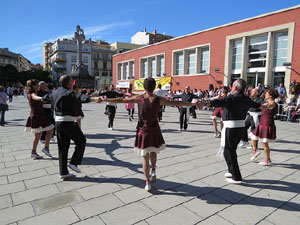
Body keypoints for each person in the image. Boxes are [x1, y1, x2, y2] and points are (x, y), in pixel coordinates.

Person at [104, 78, 198, 191]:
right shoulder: (158, 99)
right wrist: (191, 104)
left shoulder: (138, 98)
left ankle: (147, 182)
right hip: (154, 129)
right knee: (153, 151)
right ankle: (153, 170)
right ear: (154, 88)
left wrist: (106, 99)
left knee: (145, 156)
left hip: (142, 130)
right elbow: (176, 102)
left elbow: (121, 100)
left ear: (144, 87)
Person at [198, 79, 261, 184]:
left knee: (230, 151)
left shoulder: (232, 98)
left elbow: (217, 102)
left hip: (231, 128)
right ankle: (231, 171)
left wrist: (203, 102)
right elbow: (258, 106)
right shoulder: (246, 98)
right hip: (239, 128)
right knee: (229, 151)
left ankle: (236, 177)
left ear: (235, 87)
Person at [43, 75, 101, 179]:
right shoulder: (68, 93)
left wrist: (41, 98)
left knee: (63, 148)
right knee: (81, 141)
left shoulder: (55, 92)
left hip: (58, 123)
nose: (73, 83)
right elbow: (79, 97)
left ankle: (63, 172)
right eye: (72, 81)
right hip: (68, 122)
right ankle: (74, 163)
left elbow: (45, 98)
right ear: (69, 83)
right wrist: (93, 99)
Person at [24, 79, 55, 159]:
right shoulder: (33, 94)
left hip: (40, 116)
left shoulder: (36, 92)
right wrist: (42, 98)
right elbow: (35, 97)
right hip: (36, 116)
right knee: (38, 135)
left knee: (49, 130)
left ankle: (43, 149)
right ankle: (37, 150)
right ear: (34, 86)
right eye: (38, 84)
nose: (39, 86)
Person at [249, 89, 279, 166]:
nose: (265, 95)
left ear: (270, 96)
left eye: (267, 94)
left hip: (267, 125)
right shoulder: (268, 103)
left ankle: (268, 160)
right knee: (252, 136)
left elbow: (263, 107)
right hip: (262, 124)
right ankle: (255, 151)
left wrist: (251, 102)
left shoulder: (272, 104)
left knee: (264, 144)